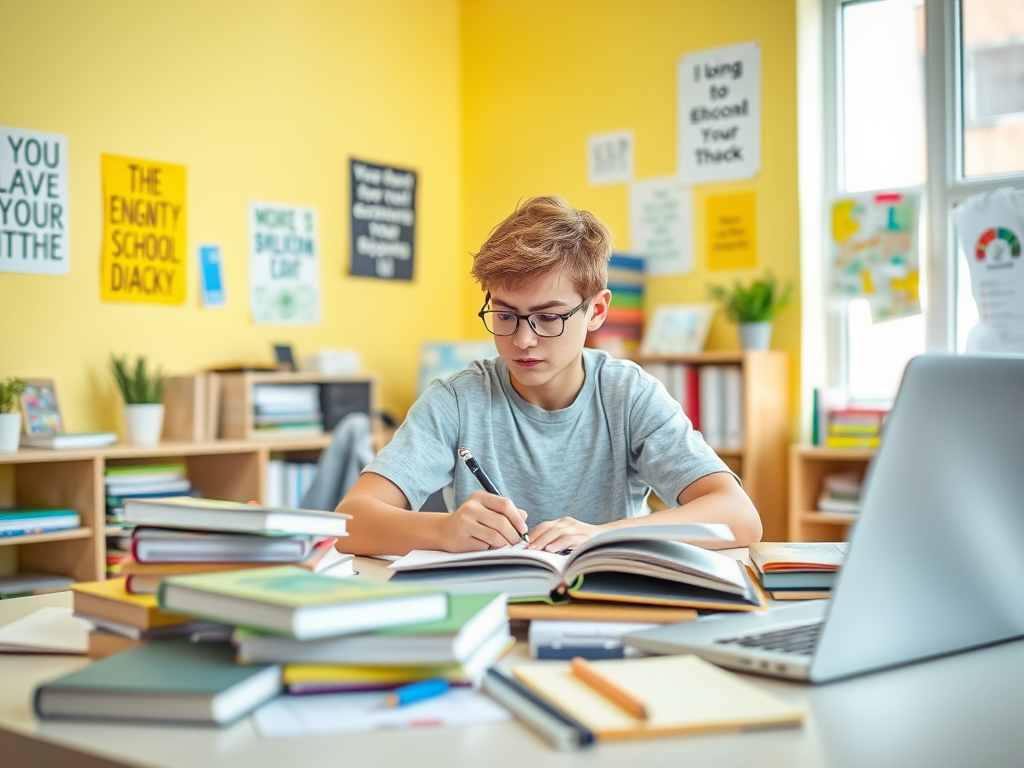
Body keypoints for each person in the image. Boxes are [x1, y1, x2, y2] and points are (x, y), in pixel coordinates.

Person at [335, 195, 762, 555]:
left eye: (548, 317)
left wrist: (600, 537)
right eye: (505, 314)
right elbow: (350, 521)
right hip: (491, 607)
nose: (523, 339)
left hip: (610, 604)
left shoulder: (627, 394)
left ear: (596, 310)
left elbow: (738, 517)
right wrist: (444, 530)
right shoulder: (457, 400)